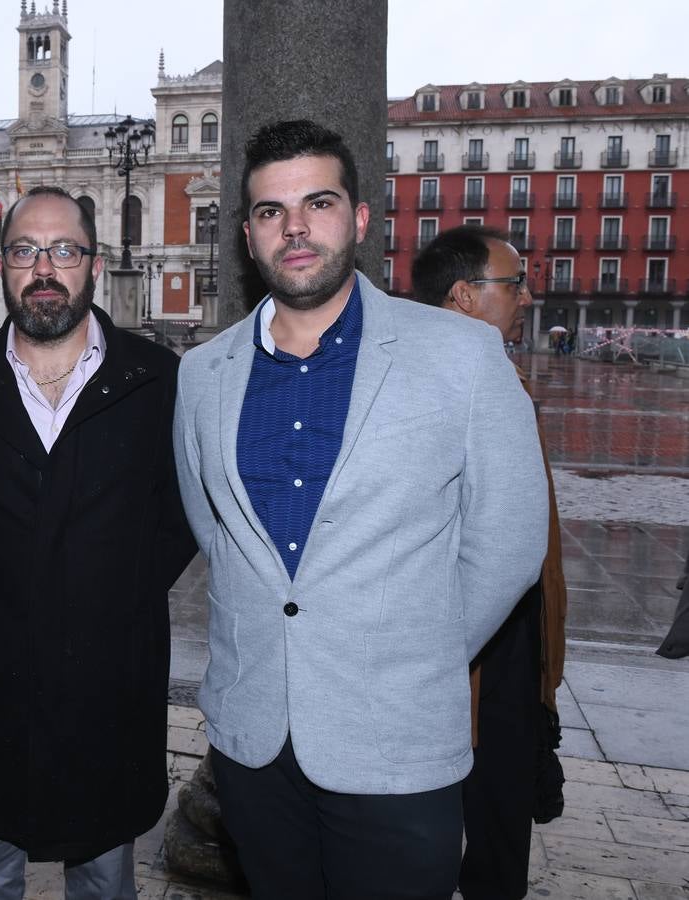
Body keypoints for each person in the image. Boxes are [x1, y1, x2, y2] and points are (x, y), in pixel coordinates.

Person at [172, 120, 549, 900]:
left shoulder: (460, 354)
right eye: (271, 212)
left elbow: (509, 542)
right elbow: (214, 529)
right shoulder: (202, 374)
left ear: (360, 218)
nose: (296, 227)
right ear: (247, 235)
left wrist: (417, 655)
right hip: (254, 746)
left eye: (318, 202)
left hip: (397, 741)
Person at [0, 185, 195, 898]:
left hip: (110, 677)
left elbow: (179, 517)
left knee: (105, 877)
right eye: (24, 251)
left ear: (93, 265)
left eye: (63, 250)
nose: (44, 267)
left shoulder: (156, 381)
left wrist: (113, 592)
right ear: (3, 265)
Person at [411, 225, 568, 900]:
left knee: (498, 816)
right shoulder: (425, 388)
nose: (527, 296)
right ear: (463, 297)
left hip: (511, 633)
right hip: (470, 640)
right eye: (513, 284)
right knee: (472, 821)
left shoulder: (497, 371)